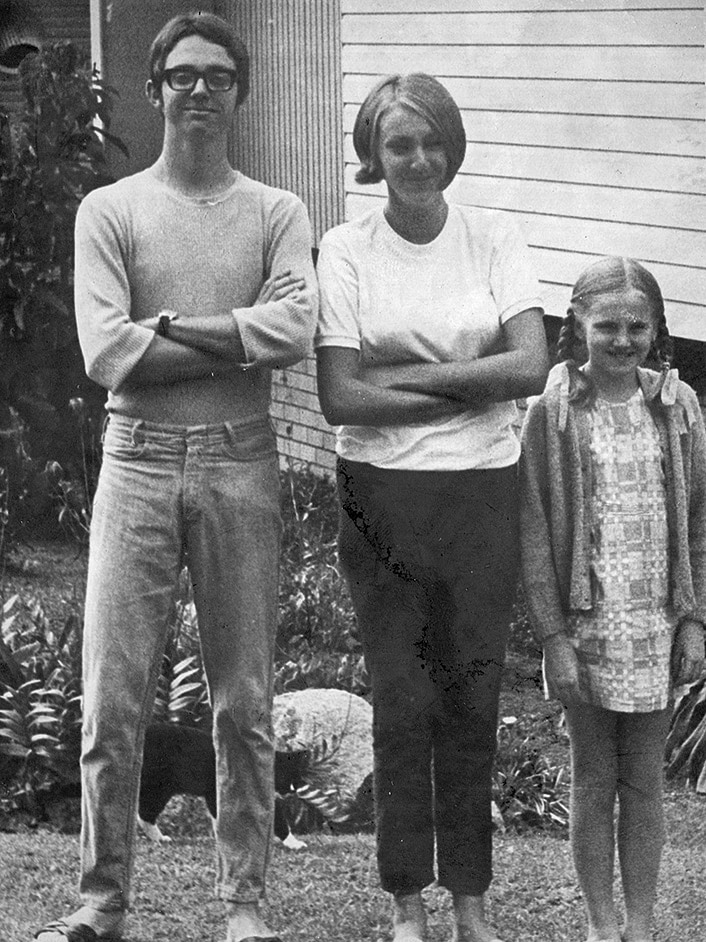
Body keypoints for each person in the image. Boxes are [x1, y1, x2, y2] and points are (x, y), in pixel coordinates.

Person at [35, 12, 317, 942]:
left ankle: (244, 905)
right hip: (139, 460)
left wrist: (169, 328)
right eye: (183, 76)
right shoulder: (109, 211)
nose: (200, 90)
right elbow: (105, 351)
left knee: (244, 698)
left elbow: (294, 333)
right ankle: (101, 900)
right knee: (114, 694)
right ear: (154, 88)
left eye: (218, 77)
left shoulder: (277, 211)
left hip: (241, 458)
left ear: (241, 91)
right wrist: (229, 334)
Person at [315, 73, 549, 942]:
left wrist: (404, 378)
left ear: (452, 145)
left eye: (430, 141)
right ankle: (409, 900)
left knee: (472, 697)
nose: (417, 159)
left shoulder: (494, 236)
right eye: (397, 144)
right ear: (373, 156)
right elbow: (340, 397)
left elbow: (528, 368)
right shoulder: (346, 248)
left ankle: (472, 903)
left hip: (482, 492)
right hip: (381, 500)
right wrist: (469, 388)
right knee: (402, 698)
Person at [520, 257, 706, 942]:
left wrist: (694, 620)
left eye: (636, 327)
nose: (622, 340)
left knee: (645, 784)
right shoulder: (555, 412)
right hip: (587, 628)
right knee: (593, 781)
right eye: (607, 326)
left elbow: (700, 520)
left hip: (656, 625)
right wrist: (552, 637)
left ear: (657, 330)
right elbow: (535, 530)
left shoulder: (677, 407)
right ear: (577, 326)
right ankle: (600, 925)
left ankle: (642, 925)